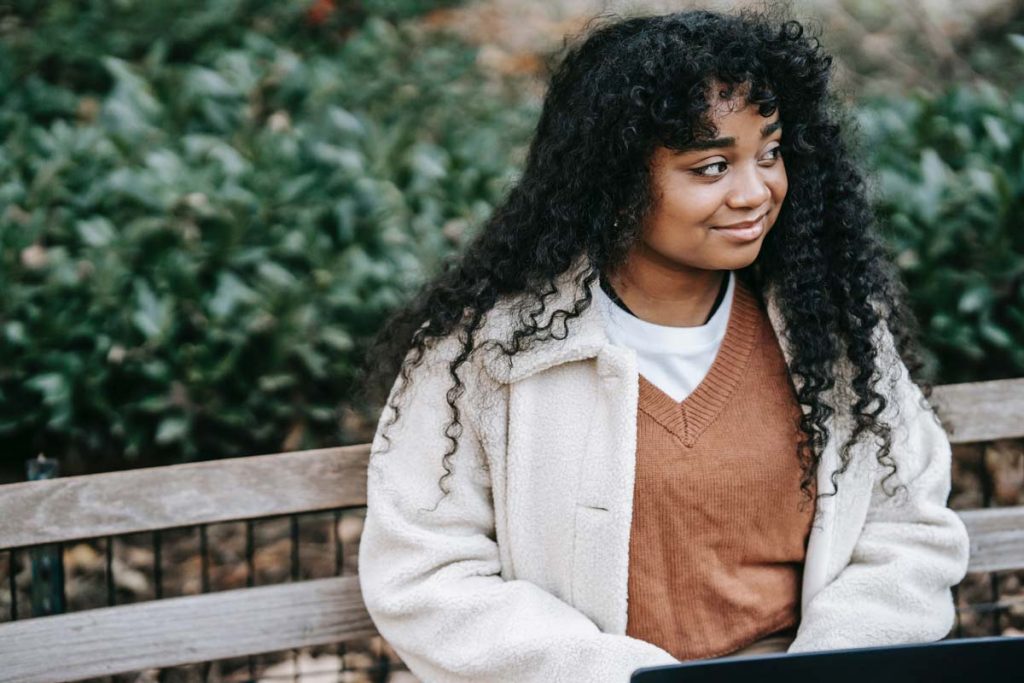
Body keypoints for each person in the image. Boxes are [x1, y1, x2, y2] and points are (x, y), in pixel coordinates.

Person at [356, 7, 970, 682]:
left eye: (769, 154)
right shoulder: (486, 352)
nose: (755, 191)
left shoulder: (832, 328)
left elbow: (907, 529)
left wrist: (817, 672)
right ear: (616, 180)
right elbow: (426, 573)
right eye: (711, 166)